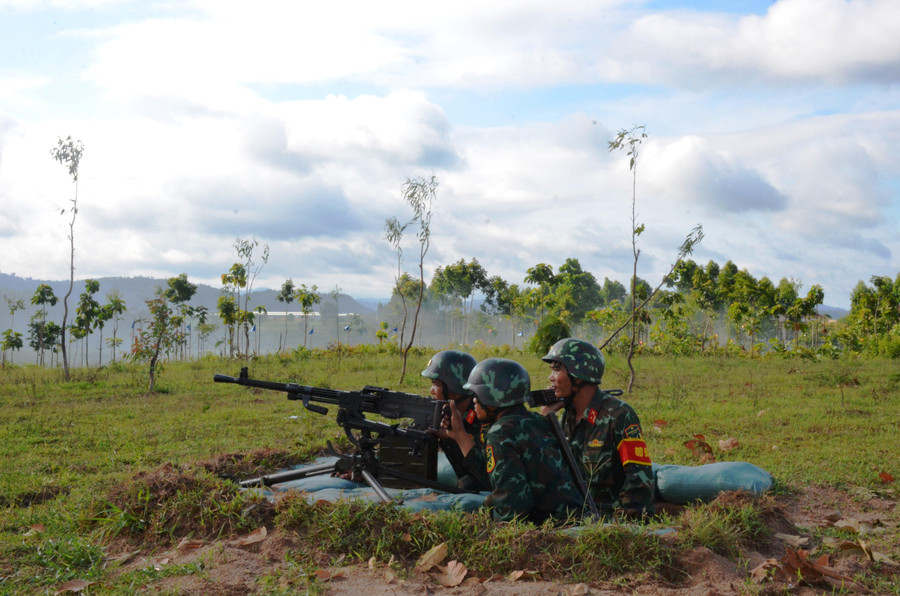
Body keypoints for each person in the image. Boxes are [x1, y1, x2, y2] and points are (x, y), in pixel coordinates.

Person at [458, 357, 585, 523]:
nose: (474, 401)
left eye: (477, 395)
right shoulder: (539, 420)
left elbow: (511, 509)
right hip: (574, 517)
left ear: (493, 396)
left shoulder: (500, 433)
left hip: (550, 528)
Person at [541, 338, 654, 519]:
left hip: (609, 521)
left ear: (577, 375)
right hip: (575, 515)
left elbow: (639, 483)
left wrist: (611, 525)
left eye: (557, 369)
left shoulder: (619, 416)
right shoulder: (567, 417)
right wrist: (547, 419)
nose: (551, 377)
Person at [421, 349, 490, 491]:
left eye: (436, 385)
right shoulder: (448, 412)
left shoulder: (484, 418)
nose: (431, 391)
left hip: (487, 482)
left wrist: (458, 436)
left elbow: (489, 474)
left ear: (456, 389)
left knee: (467, 484)